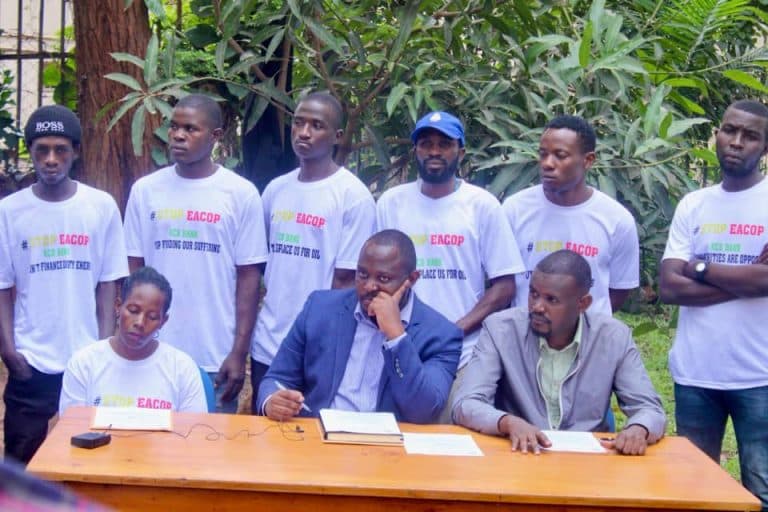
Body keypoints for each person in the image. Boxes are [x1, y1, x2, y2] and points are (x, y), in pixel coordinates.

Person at [0, 105, 128, 465]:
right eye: (42, 150)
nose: (51, 159)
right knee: (21, 461)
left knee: (87, 461)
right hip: (31, 359)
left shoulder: (100, 207)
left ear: (75, 152)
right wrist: (10, 351)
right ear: (30, 152)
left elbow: (108, 284)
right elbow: (2, 287)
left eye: (60, 150)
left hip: (86, 358)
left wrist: (103, 347)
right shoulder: (9, 212)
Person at [124, 94, 267, 413]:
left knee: (208, 456)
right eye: (174, 127)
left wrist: (238, 351)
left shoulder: (240, 194)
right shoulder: (145, 191)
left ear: (216, 136)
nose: (178, 135)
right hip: (152, 349)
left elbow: (248, 278)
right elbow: (134, 269)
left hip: (214, 355)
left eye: (190, 129)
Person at [659, 99, 768, 509]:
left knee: (761, 490)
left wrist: (699, 266)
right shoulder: (694, 204)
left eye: (750, 135)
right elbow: (670, 285)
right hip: (696, 374)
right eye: (729, 130)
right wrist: (746, 282)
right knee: (693, 492)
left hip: (760, 376)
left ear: (765, 146)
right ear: (717, 134)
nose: (736, 142)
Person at [453, 250, 665, 456]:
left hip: (586, 465)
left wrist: (639, 428)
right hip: (519, 454)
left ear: (583, 304)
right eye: (533, 294)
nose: (537, 306)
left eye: (551, 300)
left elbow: (649, 409)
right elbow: (467, 403)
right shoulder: (500, 330)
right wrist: (507, 422)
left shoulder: (613, 338)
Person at [250, 92, 375, 410]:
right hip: (267, 345)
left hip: (315, 348)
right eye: (299, 122)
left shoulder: (352, 196)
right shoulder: (276, 189)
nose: (304, 132)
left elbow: (346, 282)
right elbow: (262, 264)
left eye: (316, 125)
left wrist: (320, 344)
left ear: (336, 136)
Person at [256, 230, 462, 424]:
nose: (369, 286)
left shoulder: (441, 335)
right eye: (362, 275)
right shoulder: (320, 308)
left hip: (390, 451)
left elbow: (424, 410)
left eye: (383, 279)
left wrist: (396, 336)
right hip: (318, 439)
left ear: (411, 279)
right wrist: (271, 401)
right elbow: (277, 378)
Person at [376, 111, 524, 370]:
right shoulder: (392, 202)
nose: (434, 151)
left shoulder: (482, 205)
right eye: (426, 144)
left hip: (463, 352)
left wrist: (453, 331)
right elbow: (373, 275)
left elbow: (505, 286)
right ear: (415, 152)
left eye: (444, 144)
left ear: (461, 152)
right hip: (397, 344)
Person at [503, 115, 639, 315]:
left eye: (560, 155)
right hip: (525, 336)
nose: (548, 163)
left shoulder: (617, 220)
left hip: (589, 341)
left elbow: (618, 291)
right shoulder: (515, 209)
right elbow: (503, 282)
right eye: (543, 154)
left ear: (588, 160)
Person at [59, 266, 207, 415]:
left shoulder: (182, 369)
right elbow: (71, 432)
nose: (140, 322)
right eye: (133, 311)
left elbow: (194, 435)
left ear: (163, 321)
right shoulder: (83, 364)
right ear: (118, 306)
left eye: (152, 317)